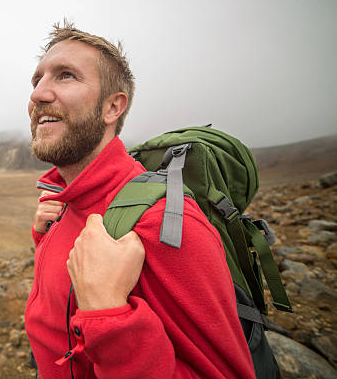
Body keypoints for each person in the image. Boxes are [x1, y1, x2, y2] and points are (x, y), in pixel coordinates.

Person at [23, 21, 256, 378]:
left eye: (65, 76)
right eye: (37, 80)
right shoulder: (65, 203)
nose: (39, 94)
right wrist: (45, 238)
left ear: (113, 107)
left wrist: (109, 315)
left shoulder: (163, 222)